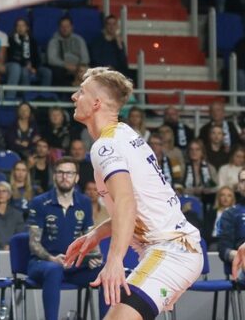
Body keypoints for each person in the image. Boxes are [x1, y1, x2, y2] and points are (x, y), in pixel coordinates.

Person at [66, 67, 203, 318]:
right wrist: (97, 233)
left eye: (81, 92)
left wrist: (114, 260)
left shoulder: (105, 146)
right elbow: (138, 205)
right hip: (175, 248)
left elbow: (126, 202)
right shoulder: (126, 134)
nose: (74, 96)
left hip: (170, 251)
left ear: (96, 103)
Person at [26, 156, 99, 320]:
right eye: (60, 172)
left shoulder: (84, 202)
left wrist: (95, 257)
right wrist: (52, 259)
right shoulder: (39, 202)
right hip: (43, 264)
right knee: (54, 270)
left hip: (73, 265)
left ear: (76, 178)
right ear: (54, 176)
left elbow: (91, 235)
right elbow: (33, 244)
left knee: (105, 271)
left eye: (69, 173)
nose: (65, 177)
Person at [47, 17, 90, 87]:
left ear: (72, 27)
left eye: (67, 26)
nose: (65, 29)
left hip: (78, 67)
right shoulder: (54, 41)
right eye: (62, 27)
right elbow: (51, 59)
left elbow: (85, 58)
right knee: (57, 72)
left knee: (87, 71)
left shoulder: (79, 40)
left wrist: (78, 67)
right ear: (59, 28)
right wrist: (65, 65)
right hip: (62, 67)